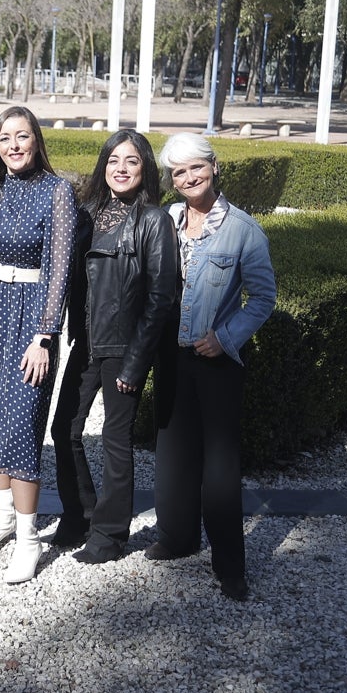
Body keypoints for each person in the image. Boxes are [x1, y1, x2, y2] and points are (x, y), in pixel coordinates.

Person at [0, 105, 77, 585]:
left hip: (30, 323)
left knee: (22, 426)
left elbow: (59, 269)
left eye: (22, 136)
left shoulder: (57, 191)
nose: (14, 146)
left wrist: (45, 335)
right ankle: (3, 516)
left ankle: (29, 537)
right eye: (5, 138)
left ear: (36, 140)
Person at [148, 132, 276, 601]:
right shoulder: (167, 220)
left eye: (195, 168)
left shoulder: (243, 229)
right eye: (178, 172)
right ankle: (178, 538)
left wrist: (224, 338)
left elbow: (263, 298)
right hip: (172, 357)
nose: (187, 178)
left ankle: (230, 566)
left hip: (217, 361)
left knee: (219, 469)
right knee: (173, 456)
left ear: (215, 166)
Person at [47, 129, 176, 564]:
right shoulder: (86, 214)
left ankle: (110, 535)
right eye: (114, 160)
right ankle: (78, 515)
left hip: (124, 346)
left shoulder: (154, 221)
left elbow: (161, 297)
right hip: (85, 342)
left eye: (132, 161)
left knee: (115, 440)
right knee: (64, 430)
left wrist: (137, 362)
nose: (121, 168)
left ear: (145, 170)